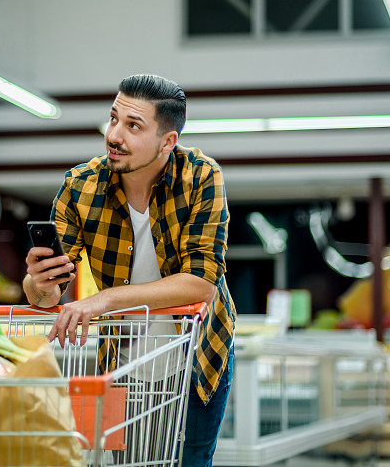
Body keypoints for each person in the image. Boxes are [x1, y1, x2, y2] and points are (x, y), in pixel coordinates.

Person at [23, 74, 235, 467]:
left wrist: (102, 300)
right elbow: (43, 295)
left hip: (198, 356)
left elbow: (202, 284)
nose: (114, 134)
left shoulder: (201, 177)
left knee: (190, 462)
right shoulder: (80, 186)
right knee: (115, 461)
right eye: (114, 118)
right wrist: (39, 283)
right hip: (120, 359)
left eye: (133, 125)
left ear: (167, 142)